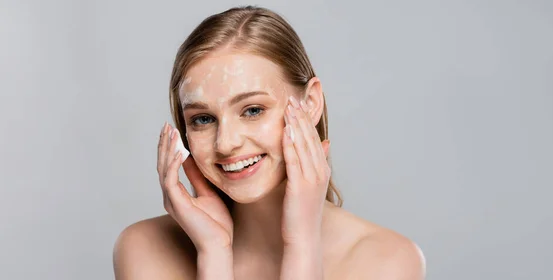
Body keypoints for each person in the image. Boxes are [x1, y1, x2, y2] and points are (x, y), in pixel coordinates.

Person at [113, 6, 425, 280]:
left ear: (311, 103)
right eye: (203, 119)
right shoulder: (145, 248)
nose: (226, 143)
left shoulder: (387, 260)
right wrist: (215, 254)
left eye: (252, 110)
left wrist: (302, 243)